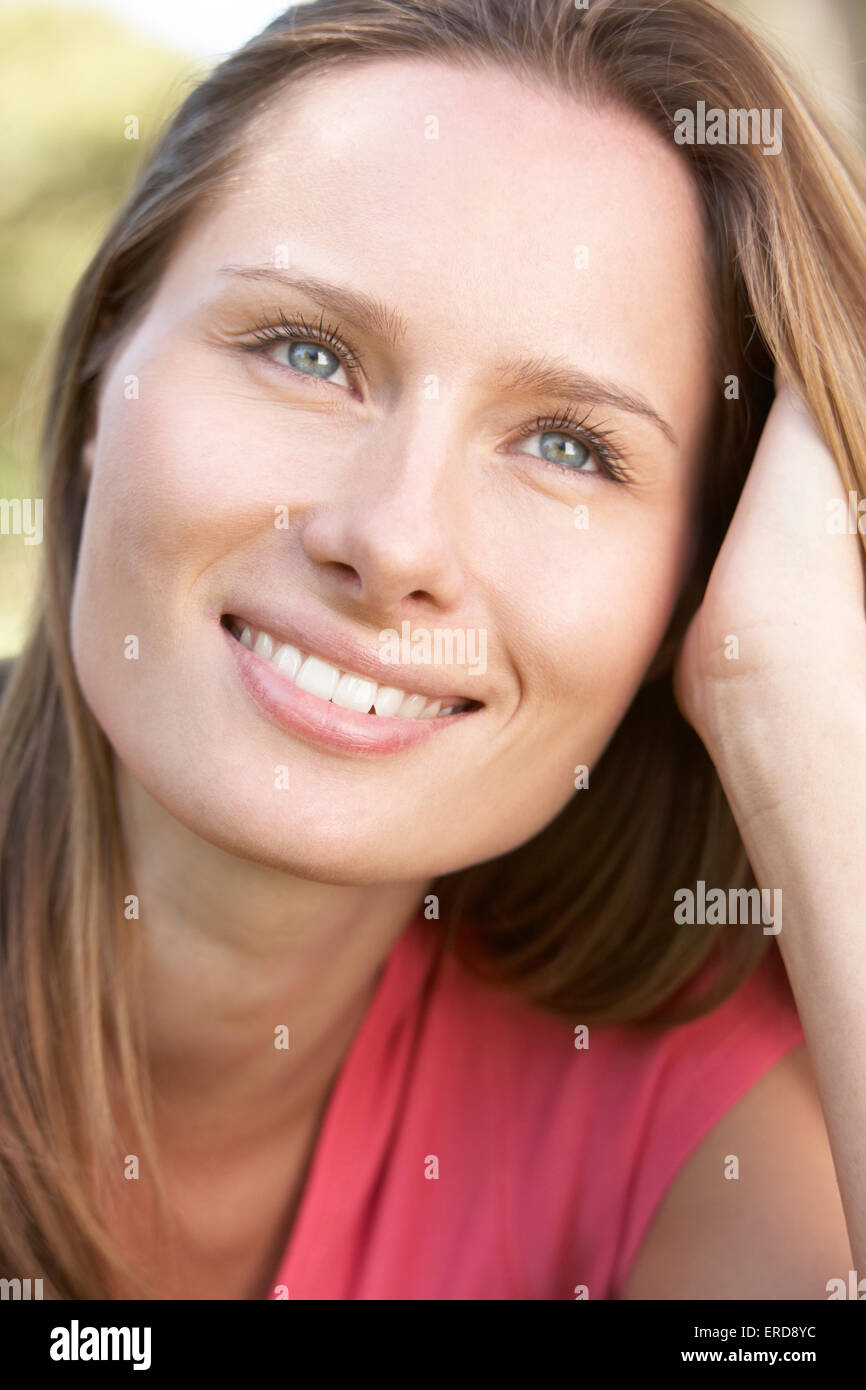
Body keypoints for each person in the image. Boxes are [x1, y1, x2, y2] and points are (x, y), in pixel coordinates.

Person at [0, 0, 864, 1300]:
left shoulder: (676, 1110)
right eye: (306, 353)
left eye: (568, 446)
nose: (391, 536)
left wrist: (795, 713)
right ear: (96, 389)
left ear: (691, 590)